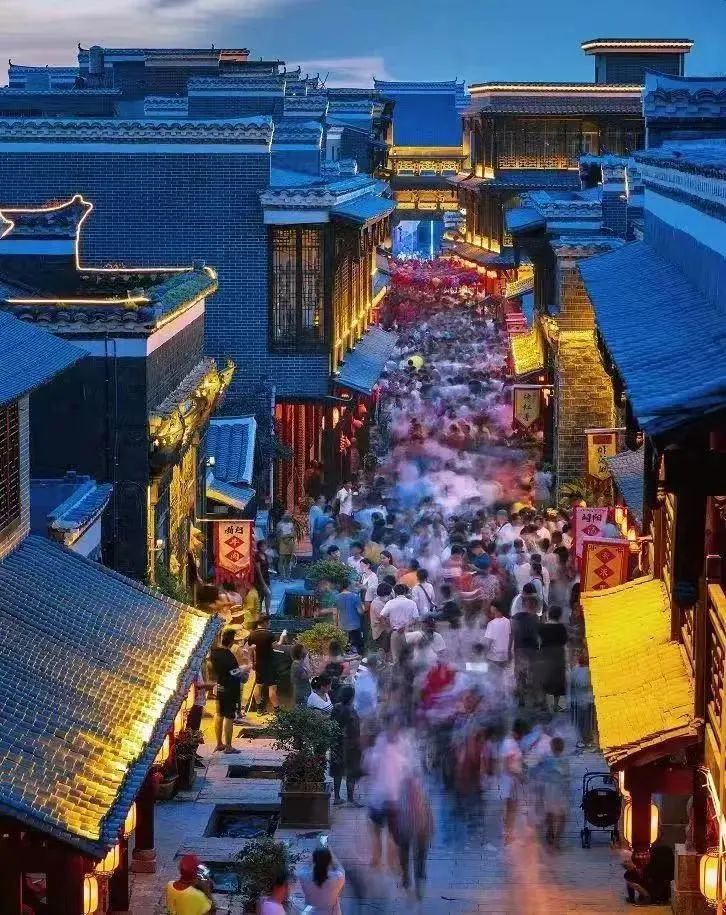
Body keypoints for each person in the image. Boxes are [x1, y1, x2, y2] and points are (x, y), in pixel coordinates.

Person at [390, 772, 434, 899]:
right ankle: (419, 880)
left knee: (404, 852)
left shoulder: (399, 791)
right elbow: (428, 811)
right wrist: (430, 828)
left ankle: (406, 878)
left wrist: (394, 831)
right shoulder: (423, 789)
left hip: (405, 827)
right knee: (420, 857)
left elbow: (394, 813)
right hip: (421, 828)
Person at [210, 630, 248, 754]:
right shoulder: (228, 655)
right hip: (229, 689)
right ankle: (228, 746)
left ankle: (219, 743)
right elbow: (233, 672)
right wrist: (244, 669)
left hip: (219, 687)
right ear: (231, 641)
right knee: (229, 717)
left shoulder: (214, 653)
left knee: (219, 714)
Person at [330, 685, 363, 805]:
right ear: (351, 697)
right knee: (351, 771)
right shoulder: (351, 710)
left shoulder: (336, 708)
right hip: (350, 745)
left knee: (337, 771)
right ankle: (350, 798)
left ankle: (337, 797)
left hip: (337, 744)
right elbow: (354, 729)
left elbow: (332, 726)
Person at [247, 617, 283, 714]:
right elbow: (277, 646)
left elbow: (250, 650)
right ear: (265, 622)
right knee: (272, 687)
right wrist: (282, 637)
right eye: (269, 622)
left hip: (258, 664)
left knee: (258, 685)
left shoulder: (252, 634)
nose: (269, 623)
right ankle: (277, 710)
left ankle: (259, 708)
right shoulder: (269, 634)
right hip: (270, 664)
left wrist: (251, 662)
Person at [298, 844, 346, 915]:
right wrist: (331, 855)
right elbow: (340, 869)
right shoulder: (337, 878)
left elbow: (303, 868)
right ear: (329, 861)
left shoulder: (304, 876)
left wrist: (313, 856)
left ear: (313, 860)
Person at [541, 735, 570, 849]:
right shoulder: (564, 760)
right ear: (562, 747)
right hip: (560, 791)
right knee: (562, 817)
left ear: (552, 747)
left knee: (550, 814)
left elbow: (542, 775)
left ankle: (550, 833)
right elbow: (566, 777)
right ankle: (556, 840)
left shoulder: (547, 759)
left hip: (549, 790)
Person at [538, 605, 568, 712]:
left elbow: (539, 641)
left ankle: (544, 704)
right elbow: (564, 641)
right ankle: (556, 705)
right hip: (558, 655)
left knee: (544, 678)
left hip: (545, 655)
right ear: (559, 615)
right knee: (558, 680)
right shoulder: (562, 628)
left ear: (549, 614)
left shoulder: (542, 627)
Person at [380, 584, 419, 661]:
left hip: (395, 632)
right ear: (405, 592)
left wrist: (388, 628)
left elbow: (381, 616)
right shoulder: (412, 603)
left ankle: (397, 668)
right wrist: (405, 626)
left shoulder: (390, 603)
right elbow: (416, 619)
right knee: (409, 658)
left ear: (395, 592)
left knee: (396, 658)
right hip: (409, 633)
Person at [335, 580, 365, 656]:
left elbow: (335, 613)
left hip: (342, 626)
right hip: (354, 626)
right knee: (358, 648)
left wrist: (336, 625)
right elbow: (360, 611)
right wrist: (363, 607)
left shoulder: (336, 597)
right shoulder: (355, 596)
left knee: (344, 648)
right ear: (348, 586)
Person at [370, 581, 392, 654]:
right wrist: (389, 629)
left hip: (381, 629)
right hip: (381, 630)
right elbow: (382, 619)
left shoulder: (378, 600)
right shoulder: (378, 604)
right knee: (384, 649)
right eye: (388, 594)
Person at [276, 511, 297, 581]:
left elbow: (293, 534)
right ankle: (282, 577)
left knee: (288, 560)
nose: (288, 515)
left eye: (289, 514)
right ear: (282, 516)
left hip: (290, 543)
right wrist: (287, 537)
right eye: (286, 514)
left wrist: (287, 536)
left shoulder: (291, 524)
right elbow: (279, 535)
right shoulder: (279, 524)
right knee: (282, 560)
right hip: (282, 543)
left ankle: (288, 576)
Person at [290, 642, 312, 708]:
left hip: (304, 692)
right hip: (302, 694)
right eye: (304, 649)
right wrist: (308, 665)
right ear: (300, 653)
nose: (306, 650)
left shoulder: (300, 662)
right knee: (302, 709)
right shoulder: (296, 665)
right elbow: (307, 676)